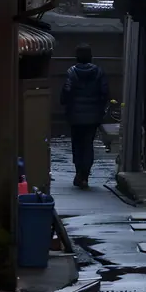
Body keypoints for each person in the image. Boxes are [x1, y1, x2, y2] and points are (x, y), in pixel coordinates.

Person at [60, 44, 109, 188]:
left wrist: (66, 103)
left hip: (75, 115)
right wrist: (100, 108)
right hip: (93, 116)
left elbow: (66, 92)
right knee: (88, 144)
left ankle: (79, 172)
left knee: (77, 144)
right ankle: (85, 175)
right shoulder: (99, 72)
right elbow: (104, 92)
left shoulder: (71, 72)